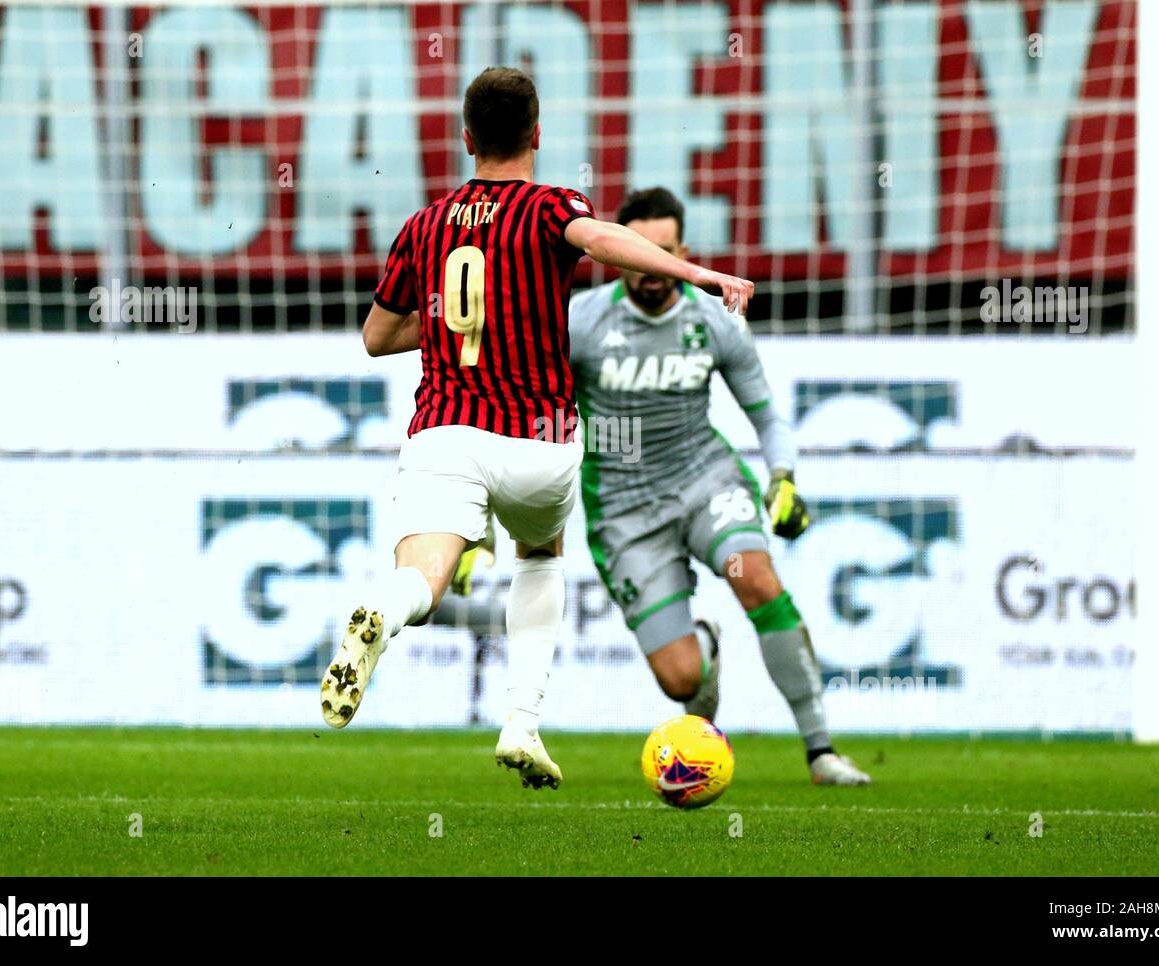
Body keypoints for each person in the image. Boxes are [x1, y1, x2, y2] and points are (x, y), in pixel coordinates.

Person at [319, 70, 754, 793]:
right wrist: (698, 274)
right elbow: (604, 240)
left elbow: (376, 336)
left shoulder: (424, 225)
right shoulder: (552, 206)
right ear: (538, 135)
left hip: (445, 431)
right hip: (538, 441)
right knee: (540, 556)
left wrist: (468, 319)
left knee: (420, 582)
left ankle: (383, 612)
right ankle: (521, 720)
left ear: (466, 139)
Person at [567, 187, 870, 785]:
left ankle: (821, 751)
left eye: (667, 249)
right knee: (682, 680)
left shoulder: (713, 321)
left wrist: (783, 478)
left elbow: (768, 416)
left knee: (754, 577)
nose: (655, 267)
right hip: (625, 510)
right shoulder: (580, 322)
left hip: (705, 480)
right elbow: (529, 411)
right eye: (641, 251)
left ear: (684, 250)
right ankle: (701, 643)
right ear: (619, 254)